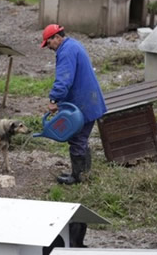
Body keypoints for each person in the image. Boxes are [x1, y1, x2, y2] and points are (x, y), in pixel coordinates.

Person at [41, 24, 107, 185]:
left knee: (77, 139)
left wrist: (53, 100)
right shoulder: (73, 44)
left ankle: (78, 177)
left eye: (48, 43)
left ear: (57, 37)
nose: (49, 47)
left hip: (82, 103)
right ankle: (84, 173)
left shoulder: (66, 52)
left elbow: (64, 78)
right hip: (88, 100)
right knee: (81, 138)